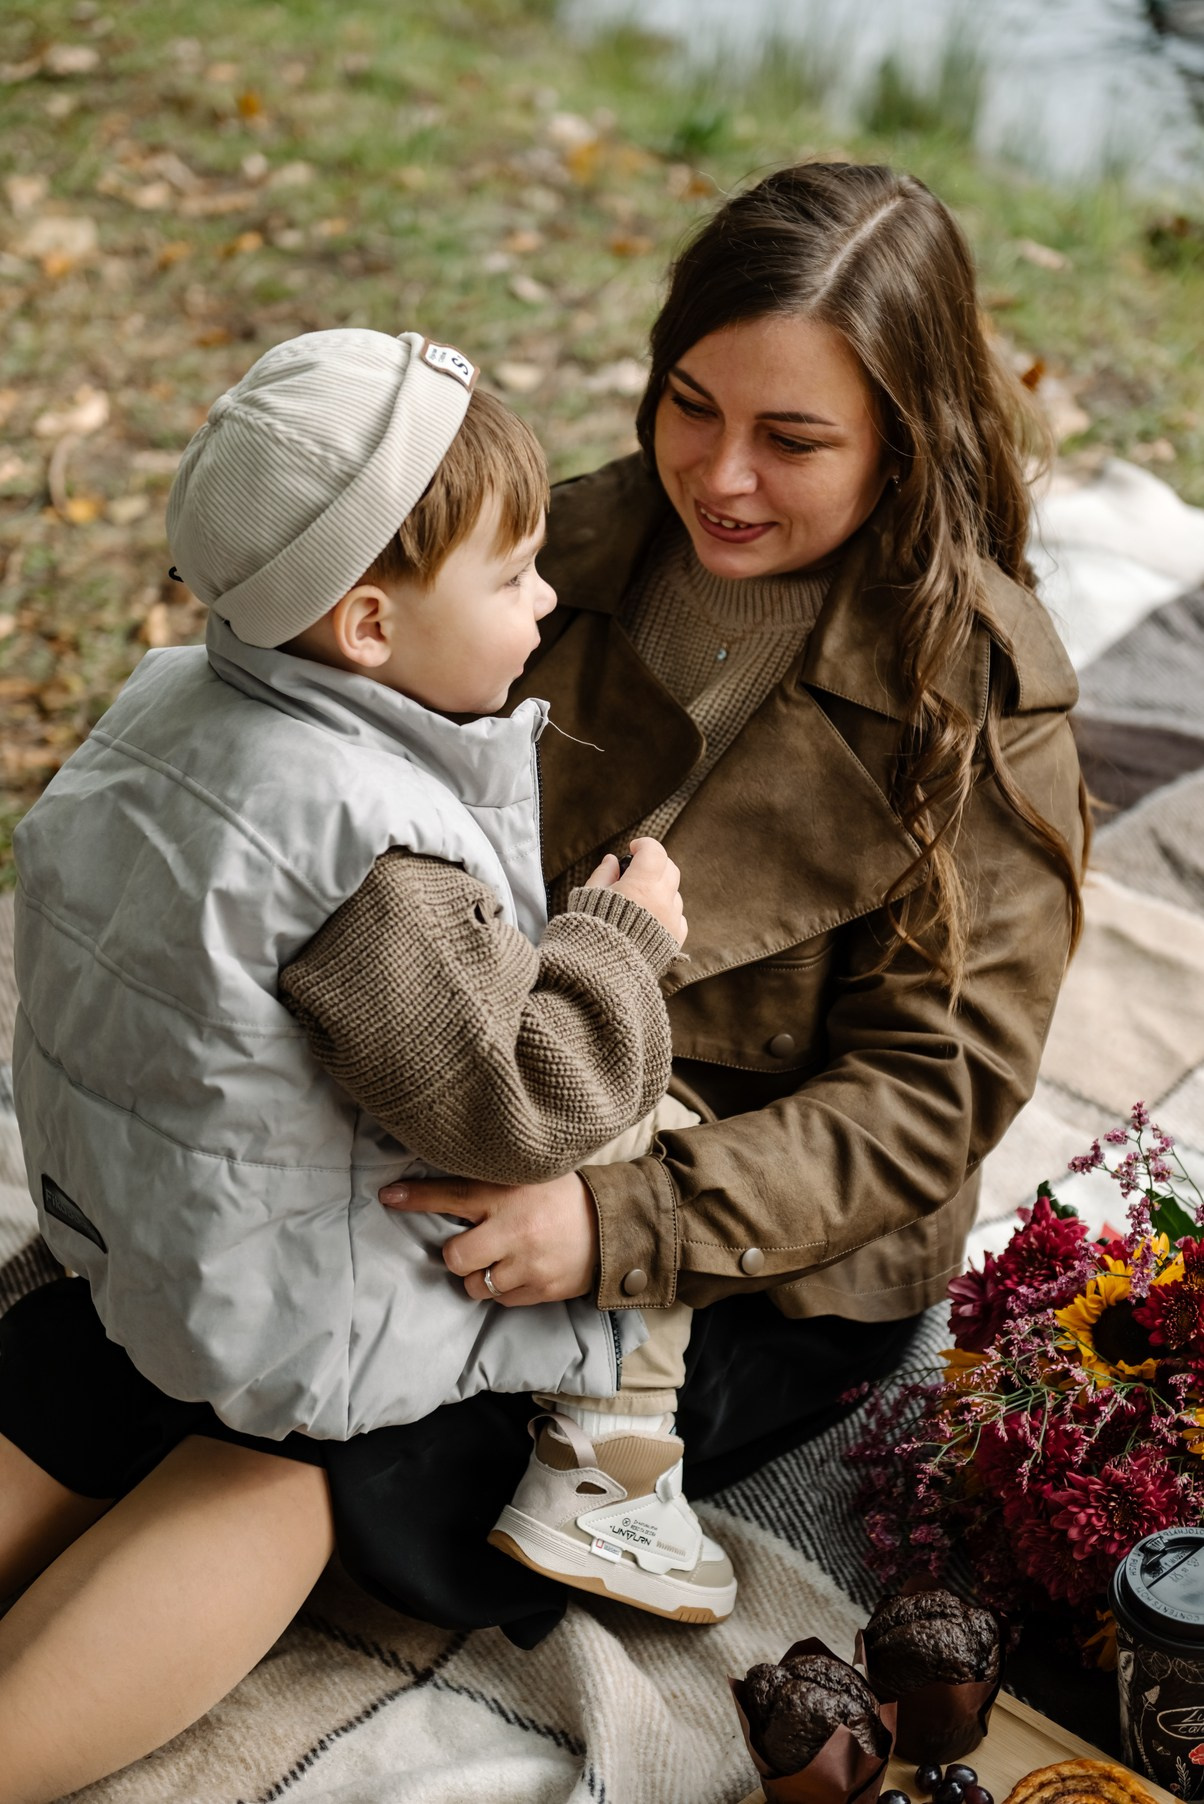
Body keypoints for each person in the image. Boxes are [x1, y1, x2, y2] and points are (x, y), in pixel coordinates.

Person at [0, 161, 1086, 1799]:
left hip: (727, 1242)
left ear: (908, 435)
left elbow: (926, 1101)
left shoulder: (982, 699)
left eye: (793, 443)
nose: (719, 475)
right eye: (690, 404)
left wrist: (610, 1226)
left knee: (320, 1431)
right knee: (133, 1320)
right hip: (447, 1075)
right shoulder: (548, 542)